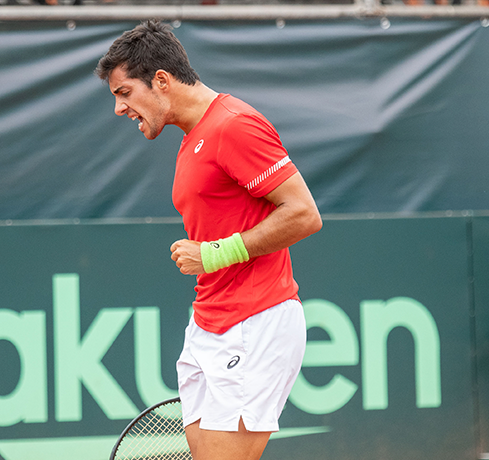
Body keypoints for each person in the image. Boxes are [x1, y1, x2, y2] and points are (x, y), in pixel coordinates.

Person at [96, 20, 322, 460]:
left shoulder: (234, 126)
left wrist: (216, 253)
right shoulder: (192, 138)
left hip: (254, 322)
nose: (119, 109)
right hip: (209, 326)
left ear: (160, 80)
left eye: (124, 94)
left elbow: (303, 213)